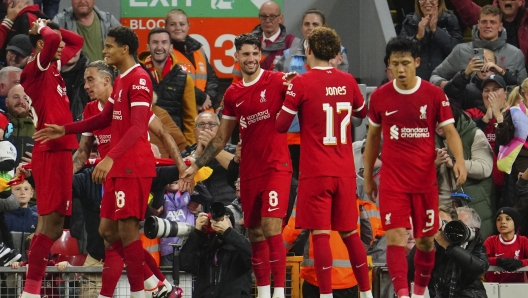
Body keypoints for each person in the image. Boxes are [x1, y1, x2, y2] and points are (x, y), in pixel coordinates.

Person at [31, 26, 173, 298]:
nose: (104, 50)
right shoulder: (121, 80)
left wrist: (109, 158)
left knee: (128, 234)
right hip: (119, 168)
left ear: (124, 49)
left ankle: (143, 291)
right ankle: (157, 284)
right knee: (107, 230)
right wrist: (66, 129)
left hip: (132, 166)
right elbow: (103, 119)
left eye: (108, 46)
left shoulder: (140, 79)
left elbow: (137, 126)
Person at [181, 33, 293, 298]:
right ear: (237, 57)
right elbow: (220, 138)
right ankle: (264, 292)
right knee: (254, 232)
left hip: (276, 167)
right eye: (246, 54)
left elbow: (301, 95)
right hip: (249, 172)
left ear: (260, 55)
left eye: (256, 53)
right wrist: (195, 164)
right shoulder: (233, 93)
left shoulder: (277, 80)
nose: (252, 58)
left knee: (271, 228)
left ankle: (279, 293)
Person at [363, 37, 467, 298]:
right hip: (392, 181)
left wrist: (460, 160)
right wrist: (368, 177)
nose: (400, 69)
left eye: (405, 63)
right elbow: (373, 139)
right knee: (396, 237)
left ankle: (419, 292)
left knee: (425, 241)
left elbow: (451, 132)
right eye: (395, 63)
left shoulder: (433, 94)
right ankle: (402, 294)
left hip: (424, 181)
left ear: (417, 62)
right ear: (388, 65)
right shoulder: (379, 97)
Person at [275, 27, 372, 298]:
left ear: (308, 50)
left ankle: (326, 295)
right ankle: (366, 292)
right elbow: (362, 112)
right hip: (344, 171)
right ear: (335, 53)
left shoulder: (302, 83)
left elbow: (281, 125)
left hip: (316, 170)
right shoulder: (349, 81)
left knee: (321, 234)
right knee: (350, 233)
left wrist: (288, 93)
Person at [18, 19, 83, 298]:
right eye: (51, 42)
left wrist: (51, 27)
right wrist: (42, 26)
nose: (59, 47)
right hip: (52, 150)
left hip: (58, 151)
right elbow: (56, 42)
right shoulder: (35, 69)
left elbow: (76, 43)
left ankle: (31, 291)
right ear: (41, 45)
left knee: (50, 227)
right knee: (51, 227)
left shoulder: (53, 68)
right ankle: (31, 291)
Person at [273, 8, 348, 180]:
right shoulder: (287, 56)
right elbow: (278, 86)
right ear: (301, 27)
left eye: (315, 24)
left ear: (324, 27)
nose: (310, 28)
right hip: (293, 131)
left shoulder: (339, 53)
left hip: (327, 131)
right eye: (306, 24)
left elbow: (341, 85)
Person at [434, 100, 495, 238]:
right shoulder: (428, 139)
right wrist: (435, 164)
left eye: (440, 120)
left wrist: (456, 163)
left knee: (473, 249)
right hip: (440, 206)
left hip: (472, 203)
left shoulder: (474, 134)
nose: (437, 124)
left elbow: (485, 168)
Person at [430, 5, 527, 88]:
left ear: (500, 26)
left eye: (493, 22)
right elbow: (435, 76)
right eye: (484, 22)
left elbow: (524, 87)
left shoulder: (515, 54)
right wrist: (449, 86)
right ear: (478, 24)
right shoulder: (460, 51)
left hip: (502, 108)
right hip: (467, 107)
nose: (488, 26)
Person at [408, 205, 489, 298]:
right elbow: (410, 272)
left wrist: (448, 246)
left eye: (445, 223)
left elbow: (479, 268)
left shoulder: (473, 241)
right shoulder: (434, 244)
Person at [138, 27, 197, 145]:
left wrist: (189, 148)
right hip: (144, 141)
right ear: (148, 47)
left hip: (174, 143)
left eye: (164, 42)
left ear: (171, 47)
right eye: (155, 42)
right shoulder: (137, 75)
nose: (159, 47)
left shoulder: (184, 78)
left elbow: (190, 120)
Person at [180, 205, 252, 298]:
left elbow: (253, 256)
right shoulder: (205, 247)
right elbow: (186, 264)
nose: (219, 222)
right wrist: (197, 232)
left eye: (224, 218)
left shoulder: (239, 246)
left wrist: (228, 232)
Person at [164, 9, 220, 112]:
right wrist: (199, 98)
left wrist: (208, 100)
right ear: (166, 27)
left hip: (205, 114)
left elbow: (212, 79)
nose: (178, 28)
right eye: (173, 24)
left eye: (182, 24)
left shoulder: (199, 49)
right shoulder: (164, 51)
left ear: (188, 26)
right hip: (180, 114)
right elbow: (171, 83)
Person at [232, 1, 300, 84]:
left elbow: (295, 79)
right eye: (264, 16)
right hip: (251, 93)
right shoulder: (247, 42)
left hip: (281, 93)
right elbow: (237, 79)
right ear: (259, 18)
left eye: (272, 16)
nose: (267, 20)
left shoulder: (293, 43)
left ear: (280, 18)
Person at [450, 0, 528, 71]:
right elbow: (466, 6)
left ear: (521, 2)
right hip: (483, 79)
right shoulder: (485, 16)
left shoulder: (517, 53)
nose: (488, 25)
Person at [399, 0, 463, 80]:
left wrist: (436, 30)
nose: (427, 2)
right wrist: (418, 37)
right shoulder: (409, 21)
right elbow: (401, 52)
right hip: (416, 79)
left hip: (444, 79)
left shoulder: (449, 19)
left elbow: (457, 50)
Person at [182, 111, 236, 207]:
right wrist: (197, 154)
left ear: (220, 130)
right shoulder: (186, 153)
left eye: (212, 124)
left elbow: (237, 167)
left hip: (227, 207)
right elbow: (181, 176)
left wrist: (213, 148)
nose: (206, 128)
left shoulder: (233, 150)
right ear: (194, 131)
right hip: (197, 211)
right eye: (201, 124)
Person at [443, 48, 517, 110]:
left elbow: (516, 88)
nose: (485, 65)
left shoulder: (504, 84)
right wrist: (465, 74)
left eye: (489, 61)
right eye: (481, 61)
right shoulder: (466, 88)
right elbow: (449, 95)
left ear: (495, 65)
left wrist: (502, 72)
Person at [52, 0, 121, 62]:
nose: (82, 1)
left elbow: (125, 45)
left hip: (106, 74)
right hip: (71, 75)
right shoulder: (60, 21)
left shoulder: (108, 20)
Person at [484, 207, 528, 282]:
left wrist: (520, 262)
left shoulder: (523, 241)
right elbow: (482, 259)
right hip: (493, 287)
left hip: (517, 287)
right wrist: (497, 261)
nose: (502, 222)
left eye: (508, 219)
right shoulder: (490, 241)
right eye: (499, 219)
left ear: (515, 222)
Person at [5, 84, 34, 167]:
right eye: (16, 97)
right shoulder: (1, 125)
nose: (21, 101)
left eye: (25, 98)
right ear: (7, 102)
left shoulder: (40, 129)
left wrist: (39, 164)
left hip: (30, 178)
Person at [61, 50, 90, 123]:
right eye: (67, 44)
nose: (71, 51)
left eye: (75, 45)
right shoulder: (44, 73)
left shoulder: (94, 76)